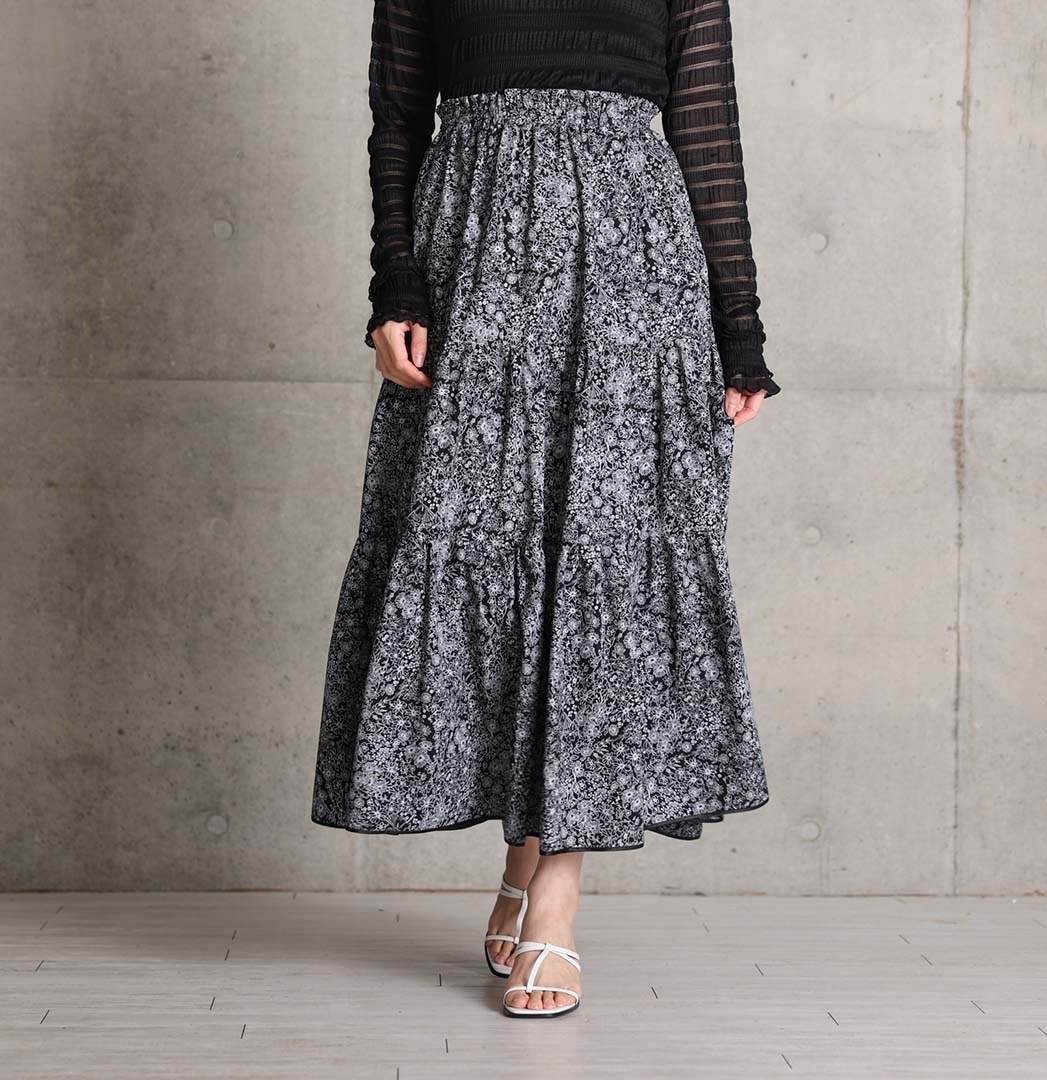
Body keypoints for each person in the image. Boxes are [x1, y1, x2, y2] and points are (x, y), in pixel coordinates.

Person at [311, 0, 779, 1019]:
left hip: (632, 267)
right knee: (490, 548)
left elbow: (708, 129)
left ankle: (556, 895)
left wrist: (738, 326)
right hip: (475, 255)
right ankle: (526, 856)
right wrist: (396, 287)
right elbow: (399, 119)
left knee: (598, 560)